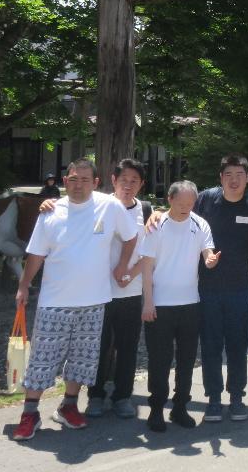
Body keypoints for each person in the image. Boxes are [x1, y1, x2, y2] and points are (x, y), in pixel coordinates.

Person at [11, 159, 138, 441]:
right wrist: (24, 285)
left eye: (84, 179)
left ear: (95, 183)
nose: (78, 184)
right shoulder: (51, 211)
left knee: (82, 360)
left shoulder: (110, 206)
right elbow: (36, 254)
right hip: (54, 301)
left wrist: (122, 266)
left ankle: (68, 406)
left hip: (94, 301)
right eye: (73, 179)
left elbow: (131, 237)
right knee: (42, 360)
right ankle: (29, 413)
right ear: (65, 181)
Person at [38, 158, 152, 419]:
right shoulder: (98, 205)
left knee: (128, 347)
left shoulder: (146, 211)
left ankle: (123, 396)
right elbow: (69, 210)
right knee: (96, 347)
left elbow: (149, 251)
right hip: (97, 292)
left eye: (134, 181)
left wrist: (129, 274)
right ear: (113, 180)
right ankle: (96, 395)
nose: (128, 185)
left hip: (131, 291)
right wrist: (47, 203)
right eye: (123, 180)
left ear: (141, 184)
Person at [193, 154, 248, 422]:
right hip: (207, 287)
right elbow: (185, 223)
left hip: (240, 287)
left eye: (240, 174)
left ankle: (237, 397)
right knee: (211, 344)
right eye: (228, 174)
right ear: (221, 177)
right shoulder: (205, 200)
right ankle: (214, 399)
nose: (234, 180)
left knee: (238, 344)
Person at [138, 181, 217, 432]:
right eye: (181, 203)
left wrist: (211, 259)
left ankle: (180, 406)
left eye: (190, 203)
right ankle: (156, 409)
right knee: (159, 360)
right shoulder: (156, 225)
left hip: (190, 304)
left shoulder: (200, 224)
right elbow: (146, 266)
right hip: (160, 304)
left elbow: (207, 252)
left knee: (186, 360)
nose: (185, 207)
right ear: (170, 200)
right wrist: (148, 302)